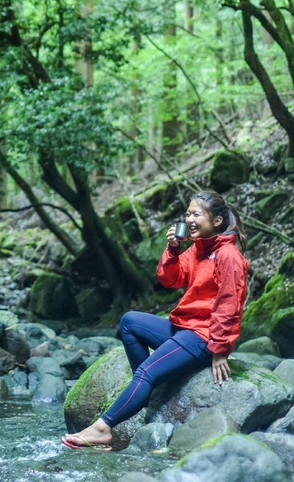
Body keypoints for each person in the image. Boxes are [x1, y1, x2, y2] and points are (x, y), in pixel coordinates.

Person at [62, 190, 249, 449]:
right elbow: (170, 279)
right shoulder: (198, 249)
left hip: (203, 337)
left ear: (217, 221)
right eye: (188, 214)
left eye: (197, 214)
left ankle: (103, 428)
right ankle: (148, 389)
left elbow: (230, 304)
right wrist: (173, 249)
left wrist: (220, 350)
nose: (190, 219)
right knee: (129, 322)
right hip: (183, 327)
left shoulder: (228, 255)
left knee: (146, 373)